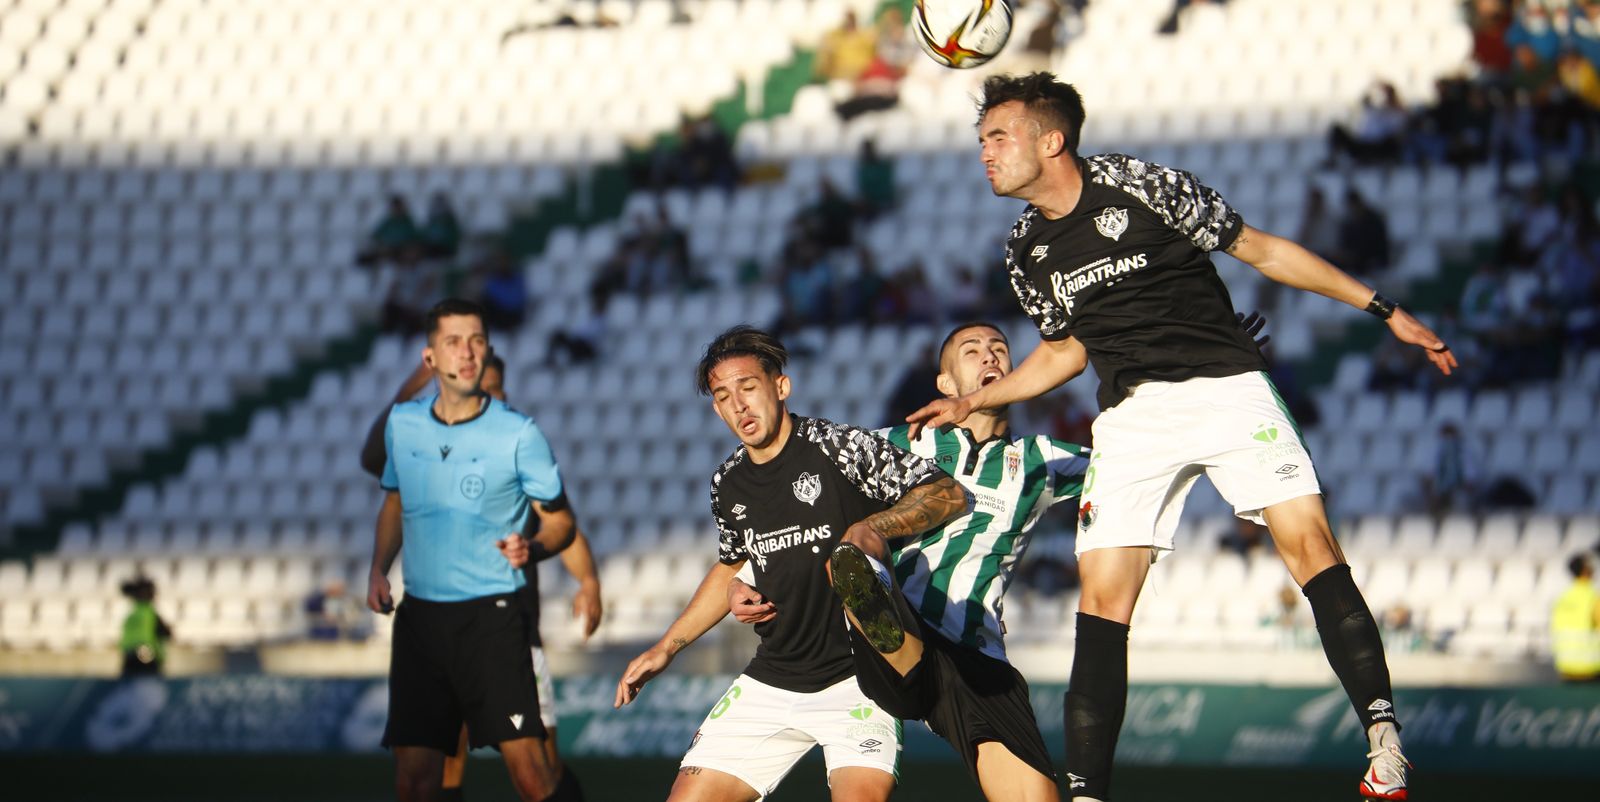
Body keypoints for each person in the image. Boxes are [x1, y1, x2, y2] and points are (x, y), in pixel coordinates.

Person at [908, 73, 1460, 802]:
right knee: (1101, 600)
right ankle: (1087, 793)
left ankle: (1383, 740)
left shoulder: (1140, 185)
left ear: (1053, 139)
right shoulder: (1024, 251)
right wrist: (977, 398)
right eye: (982, 140)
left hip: (1226, 384)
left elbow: (1260, 250)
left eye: (998, 137)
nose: (985, 152)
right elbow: (1066, 351)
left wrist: (1382, 308)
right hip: (1134, 417)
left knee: (1310, 545)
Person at [730, 322, 1089, 802]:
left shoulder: (1038, 461)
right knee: (857, 547)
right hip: (897, 623)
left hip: (972, 653)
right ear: (944, 384)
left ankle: (895, 641)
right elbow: (803, 511)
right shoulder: (898, 443)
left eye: (999, 349)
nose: (989, 357)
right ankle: (884, 629)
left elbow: (1127, 463)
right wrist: (745, 576)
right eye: (972, 350)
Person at [613, 325, 968, 802]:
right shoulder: (727, 483)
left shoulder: (838, 447)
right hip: (775, 677)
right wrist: (668, 647)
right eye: (723, 396)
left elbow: (947, 493)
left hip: (859, 679)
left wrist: (874, 527)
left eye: (747, 387)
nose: (737, 406)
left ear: (781, 387)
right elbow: (734, 564)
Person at [361, 345, 602, 802]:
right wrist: (409, 385)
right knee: (443, 762)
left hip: (506, 634)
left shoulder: (510, 446)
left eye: (491, 389)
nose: (482, 399)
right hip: (440, 630)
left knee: (538, 767)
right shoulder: (427, 446)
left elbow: (560, 521)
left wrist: (588, 581)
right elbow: (375, 458)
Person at [1552, 554, 1600, 682]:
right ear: (1586, 570)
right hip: (1591, 670)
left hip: (1565, 669)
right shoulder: (1593, 598)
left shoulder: (1562, 598)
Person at [118, 575, 170, 678]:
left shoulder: (131, 615)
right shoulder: (149, 613)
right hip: (146, 655)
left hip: (130, 655)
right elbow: (166, 633)